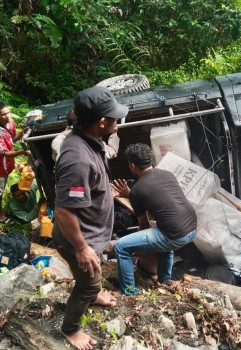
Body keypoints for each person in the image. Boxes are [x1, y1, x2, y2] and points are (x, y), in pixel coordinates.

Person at [52, 86, 128, 350]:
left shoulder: (90, 140)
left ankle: (92, 295)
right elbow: (63, 209)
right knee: (86, 284)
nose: (118, 123)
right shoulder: (78, 159)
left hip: (89, 233)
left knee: (87, 283)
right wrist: (83, 248)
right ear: (102, 122)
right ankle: (70, 328)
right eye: (115, 118)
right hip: (79, 240)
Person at [112, 143, 197, 295]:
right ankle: (164, 282)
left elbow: (144, 225)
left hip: (175, 234)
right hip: (191, 227)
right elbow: (157, 195)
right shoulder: (167, 174)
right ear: (150, 160)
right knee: (165, 243)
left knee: (121, 247)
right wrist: (130, 195)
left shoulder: (137, 190)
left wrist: (140, 248)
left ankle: (130, 293)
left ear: (132, 165)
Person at [0, 102, 31, 223]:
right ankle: (1, 215)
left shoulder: (10, 122)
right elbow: (5, 153)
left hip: (7, 165)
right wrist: (22, 152)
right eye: (3, 114)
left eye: (8, 112)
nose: (7, 116)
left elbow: (12, 138)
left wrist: (23, 131)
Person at [52, 110, 120, 161]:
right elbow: (111, 153)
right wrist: (114, 134)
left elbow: (55, 157)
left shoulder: (57, 140)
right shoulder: (88, 137)